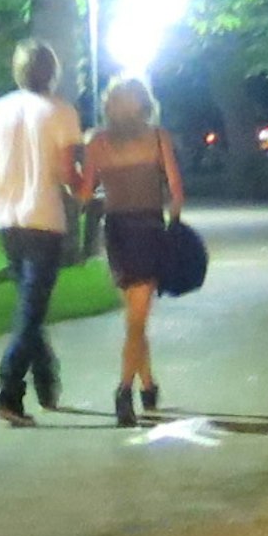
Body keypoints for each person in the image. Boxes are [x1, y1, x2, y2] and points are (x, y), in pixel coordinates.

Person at [0, 39, 84, 427]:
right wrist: (86, 189)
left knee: (30, 308)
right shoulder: (60, 112)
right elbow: (68, 173)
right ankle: (9, 389)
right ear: (52, 72)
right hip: (44, 219)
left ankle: (46, 376)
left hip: (7, 221)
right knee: (31, 310)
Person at [82, 72, 186, 426]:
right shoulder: (154, 139)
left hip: (126, 231)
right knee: (136, 317)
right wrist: (174, 221)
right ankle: (137, 386)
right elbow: (175, 191)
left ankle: (135, 387)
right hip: (139, 228)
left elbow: (83, 194)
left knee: (135, 316)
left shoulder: (101, 142)